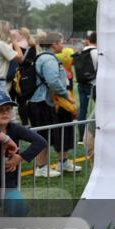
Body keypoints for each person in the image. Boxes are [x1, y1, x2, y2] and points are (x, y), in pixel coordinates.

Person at [0, 92, 47, 217]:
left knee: (19, 209)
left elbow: (40, 141)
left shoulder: (14, 128)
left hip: (8, 184)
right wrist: (6, 139)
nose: (5, 113)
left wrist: (20, 158)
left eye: (8, 109)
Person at [27, 33, 79, 178]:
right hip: (43, 101)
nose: (64, 45)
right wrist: (66, 95)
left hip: (47, 101)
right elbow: (53, 81)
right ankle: (41, 167)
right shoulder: (48, 59)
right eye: (62, 42)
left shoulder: (46, 57)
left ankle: (61, 162)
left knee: (55, 132)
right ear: (54, 44)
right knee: (44, 135)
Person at [74, 32, 98, 147]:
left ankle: (80, 136)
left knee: (82, 110)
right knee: (98, 110)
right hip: (94, 84)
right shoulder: (97, 52)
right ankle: (94, 134)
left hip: (81, 84)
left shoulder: (82, 51)